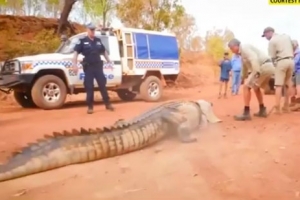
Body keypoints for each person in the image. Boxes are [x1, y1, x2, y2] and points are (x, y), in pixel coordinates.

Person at [228, 38, 275, 121]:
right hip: (267, 66)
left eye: (231, 48)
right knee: (255, 87)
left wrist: (256, 72)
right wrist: (243, 77)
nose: (231, 50)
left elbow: (254, 59)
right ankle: (262, 109)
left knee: (246, 87)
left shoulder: (245, 48)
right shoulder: (241, 53)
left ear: (236, 46)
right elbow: (244, 67)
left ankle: (246, 113)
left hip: (263, 67)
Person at [72, 23, 114, 114]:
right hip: (89, 68)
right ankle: (90, 107)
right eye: (91, 30)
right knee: (89, 87)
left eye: (94, 30)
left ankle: (108, 104)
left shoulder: (98, 41)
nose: (93, 31)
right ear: (87, 30)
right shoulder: (82, 41)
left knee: (103, 85)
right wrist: (74, 65)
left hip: (98, 67)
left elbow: (104, 51)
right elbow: (75, 53)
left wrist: (109, 61)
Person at [262, 27, 294, 113]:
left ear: (269, 33)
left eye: (265, 35)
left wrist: (275, 66)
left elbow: (272, 57)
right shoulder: (286, 36)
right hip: (291, 61)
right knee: (287, 84)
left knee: (278, 85)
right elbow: (294, 45)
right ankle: (286, 106)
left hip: (281, 61)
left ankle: (277, 107)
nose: (266, 38)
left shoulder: (272, 41)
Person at [290, 40, 300, 110]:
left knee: (298, 85)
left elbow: (295, 62)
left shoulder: (298, 52)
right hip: (294, 71)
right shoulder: (293, 53)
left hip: (299, 71)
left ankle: (298, 102)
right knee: (293, 85)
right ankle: (293, 101)